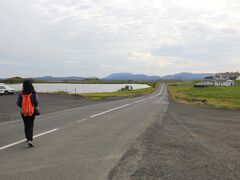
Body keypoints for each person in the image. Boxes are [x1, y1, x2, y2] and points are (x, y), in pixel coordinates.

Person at [17, 80, 39, 147]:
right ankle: (30, 140)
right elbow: (36, 102)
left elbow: (18, 103)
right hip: (31, 112)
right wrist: (32, 107)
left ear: (23, 86)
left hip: (23, 112)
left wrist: (23, 107)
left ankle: (27, 138)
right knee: (30, 125)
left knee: (26, 125)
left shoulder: (21, 93)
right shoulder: (33, 93)